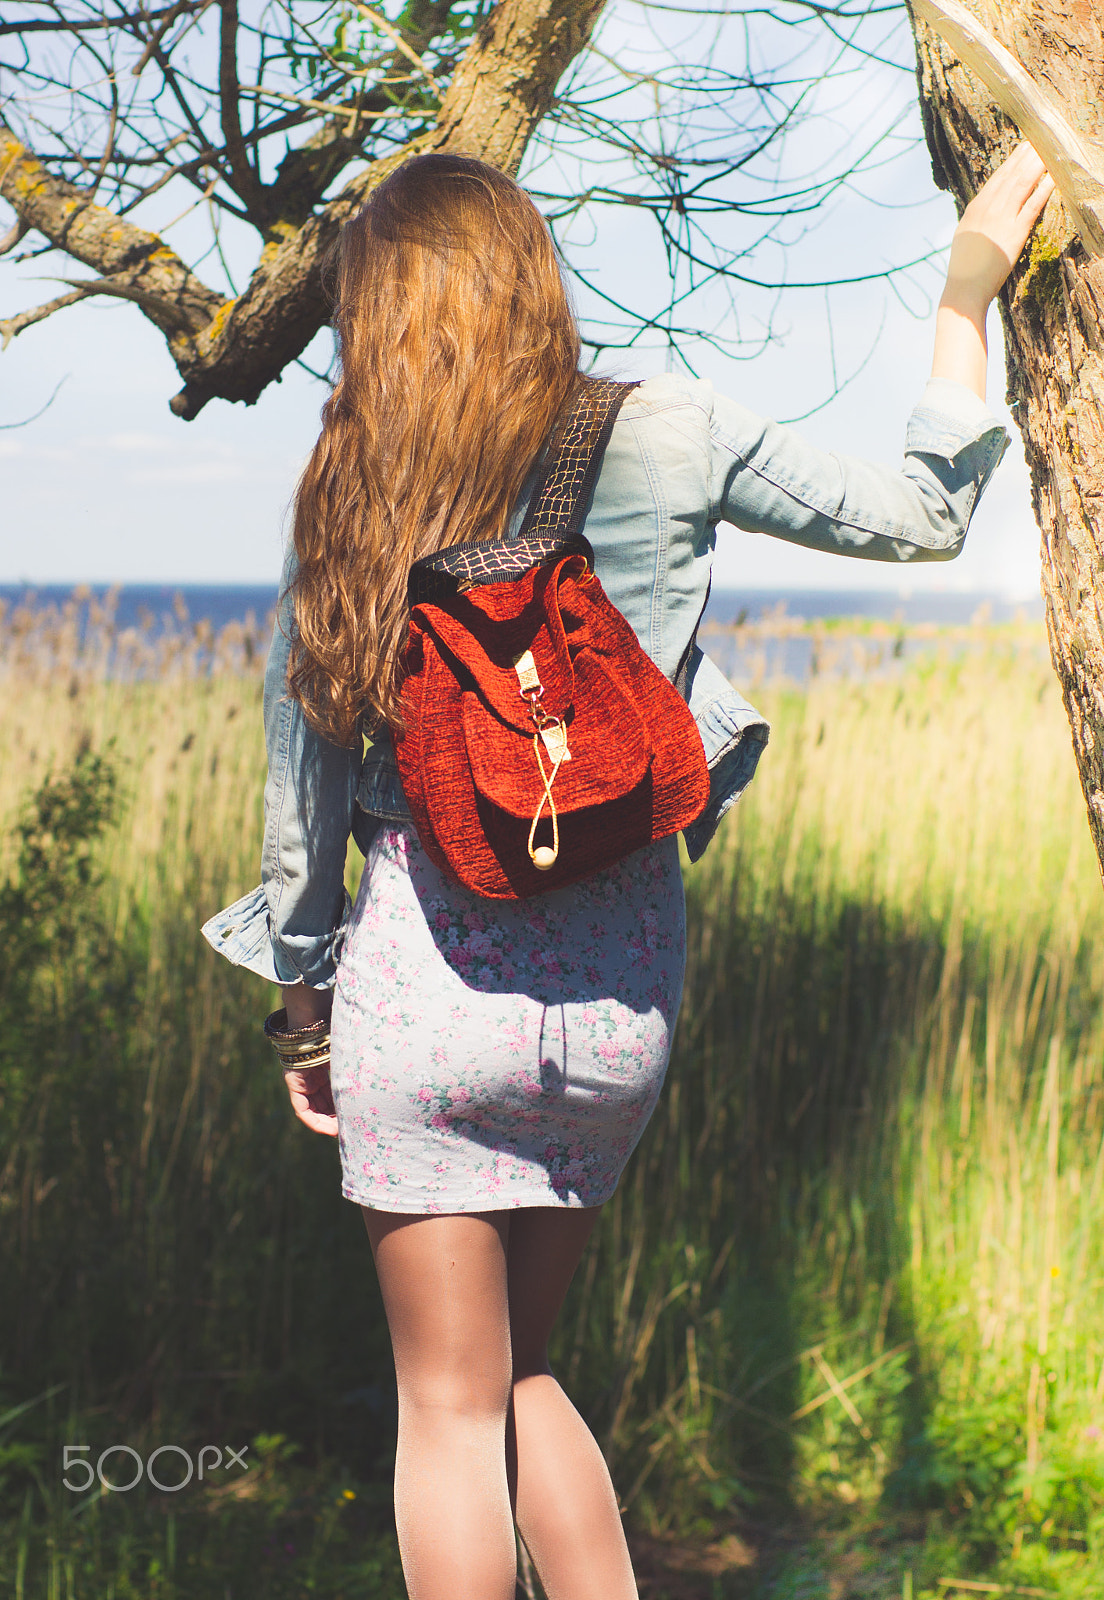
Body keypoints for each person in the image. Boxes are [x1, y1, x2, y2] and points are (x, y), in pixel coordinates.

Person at [204, 142, 1054, 1600]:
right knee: (531, 1379)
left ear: (378, 313)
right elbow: (920, 512)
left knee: (450, 1405)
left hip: (426, 992)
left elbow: (308, 796)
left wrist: (304, 1009)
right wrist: (965, 296)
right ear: (531, 279)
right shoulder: (670, 426)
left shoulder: (354, 484)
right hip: (616, 1005)